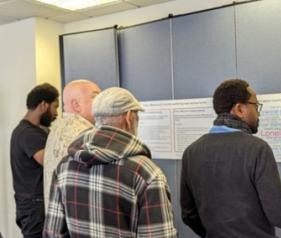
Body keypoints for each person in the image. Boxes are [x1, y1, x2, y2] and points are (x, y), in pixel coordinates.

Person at [43, 87, 177, 238]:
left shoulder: (65, 166)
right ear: (128, 117)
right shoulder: (146, 173)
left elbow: (53, 232)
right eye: (137, 115)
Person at [180, 79, 281, 238]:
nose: (258, 113)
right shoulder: (257, 149)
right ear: (239, 109)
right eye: (256, 106)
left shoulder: (191, 152)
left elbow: (189, 215)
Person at [10, 83, 59, 238]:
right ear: (44, 105)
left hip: (33, 204)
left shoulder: (32, 131)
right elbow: (50, 161)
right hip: (34, 206)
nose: (56, 113)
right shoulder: (28, 133)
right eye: (55, 107)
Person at [43, 79, 101, 210]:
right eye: (96, 97)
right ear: (76, 105)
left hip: (56, 218)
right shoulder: (85, 134)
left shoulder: (56, 129)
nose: (101, 103)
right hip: (77, 219)